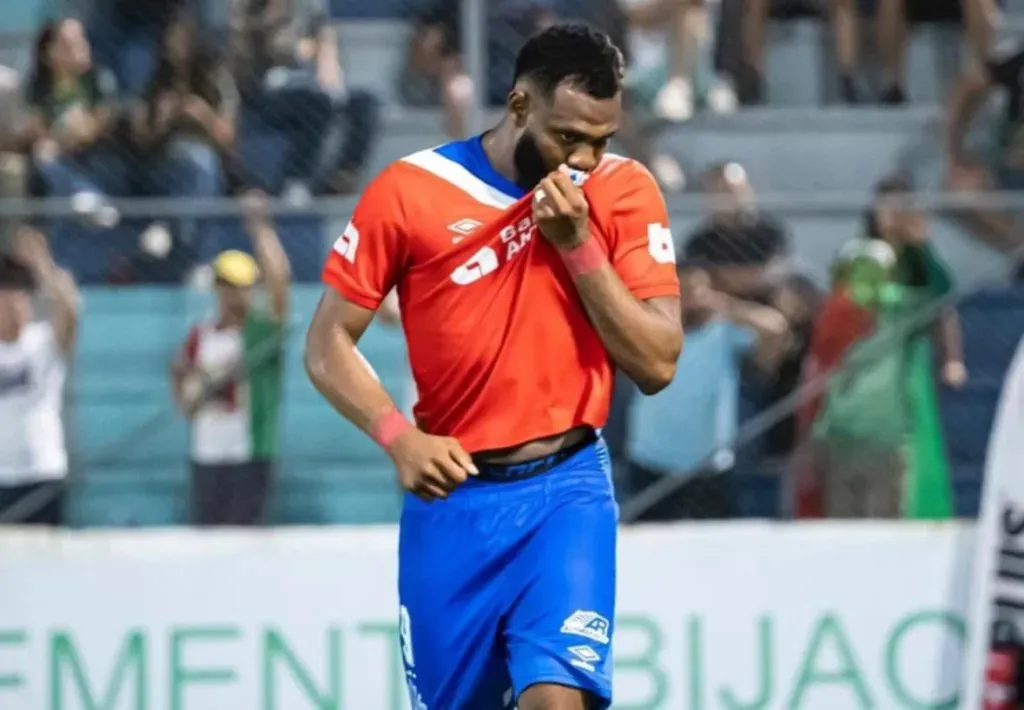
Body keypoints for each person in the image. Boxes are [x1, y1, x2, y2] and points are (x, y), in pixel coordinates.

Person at [305, 24, 682, 710]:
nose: (587, 161)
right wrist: (398, 436)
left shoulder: (624, 192)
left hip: (566, 492)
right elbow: (326, 343)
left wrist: (578, 247)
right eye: (569, 138)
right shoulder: (412, 191)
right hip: (455, 504)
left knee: (554, 699)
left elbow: (657, 361)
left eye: (603, 139)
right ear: (517, 106)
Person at [625, 265, 789, 520]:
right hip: (650, 458)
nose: (689, 298)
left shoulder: (724, 332)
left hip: (707, 465)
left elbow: (776, 329)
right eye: (681, 290)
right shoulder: (648, 328)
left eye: (696, 290)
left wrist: (726, 306)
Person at [171, 191, 291, 526]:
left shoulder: (259, 331)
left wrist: (260, 229)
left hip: (249, 454)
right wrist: (189, 393)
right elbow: (182, 381)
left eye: (240, 285)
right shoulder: (201, 333)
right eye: (225, 285)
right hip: (207, 452)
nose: (232, 293)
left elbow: (280, 283)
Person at [0, 228, 79, 526]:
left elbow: (69, 310)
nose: (13, 305)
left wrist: (42, 266)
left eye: (19, 298)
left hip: (40, 473)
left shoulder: (42, 343)